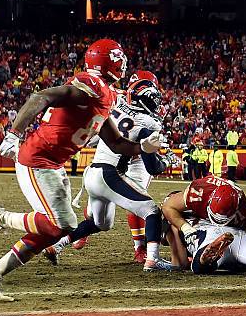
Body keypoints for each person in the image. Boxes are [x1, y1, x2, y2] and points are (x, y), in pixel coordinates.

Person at [0, 39, 166, 302]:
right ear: (110, 61)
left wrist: (144, 145)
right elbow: (41, 96)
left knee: (54, 231)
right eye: (120, 58)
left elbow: (118, 143)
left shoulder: (105, 95)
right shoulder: (92, 85)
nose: (124, 64)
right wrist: (14, 133)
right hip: (37, 159)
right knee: (62, 224)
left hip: (53, 164)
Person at [43, 79, 173, 272]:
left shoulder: (117, 107)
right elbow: (152, 167)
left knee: (99, 223)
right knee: (152, 211)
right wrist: (168, 161)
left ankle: (57, 245)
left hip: (93, 173)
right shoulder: (147, 123)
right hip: (110, 174)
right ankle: (152, 260)